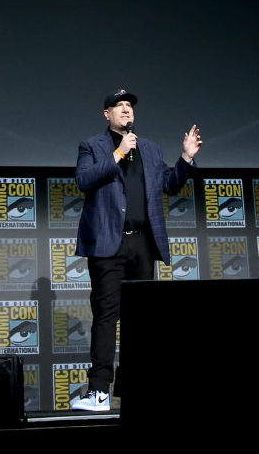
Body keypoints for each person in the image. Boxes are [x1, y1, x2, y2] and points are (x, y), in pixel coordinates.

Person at [71, 89, 201, 412]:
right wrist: (117, 153)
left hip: (142, 243)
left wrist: (185, 159)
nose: (126, 109)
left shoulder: (151, 150)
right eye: (119, 105)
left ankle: (138, 392)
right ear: (107, 114)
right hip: (108, 244)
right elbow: (83, 180)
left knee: (141, 320)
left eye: (130, 105)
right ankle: (99, 392)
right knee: (106, 317)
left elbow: (170, 185)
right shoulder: (92, 146)